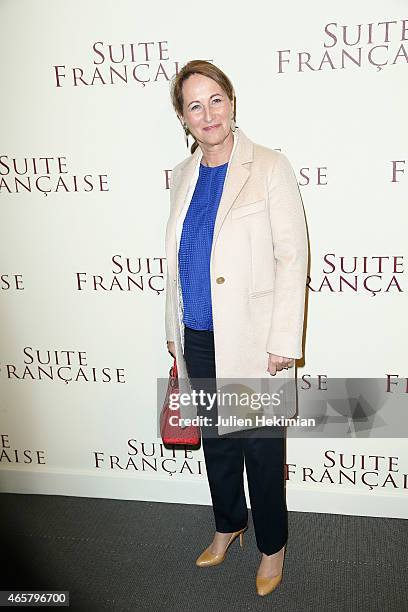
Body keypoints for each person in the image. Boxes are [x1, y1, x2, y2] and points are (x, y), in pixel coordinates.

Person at [164, 60, 308, 597]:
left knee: (261, 451)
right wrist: (174, 334)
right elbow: (178, 261)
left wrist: (282, 342)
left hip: (252, 339)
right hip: (197, 333)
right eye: (194, 105)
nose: (208, 114)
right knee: (217, 444)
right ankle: (229, 525)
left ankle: (273, 546)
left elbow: (292, 257)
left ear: (232, 102)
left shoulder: (269, 166)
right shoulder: (181, 175)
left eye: (215, 99)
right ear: (183, 116)